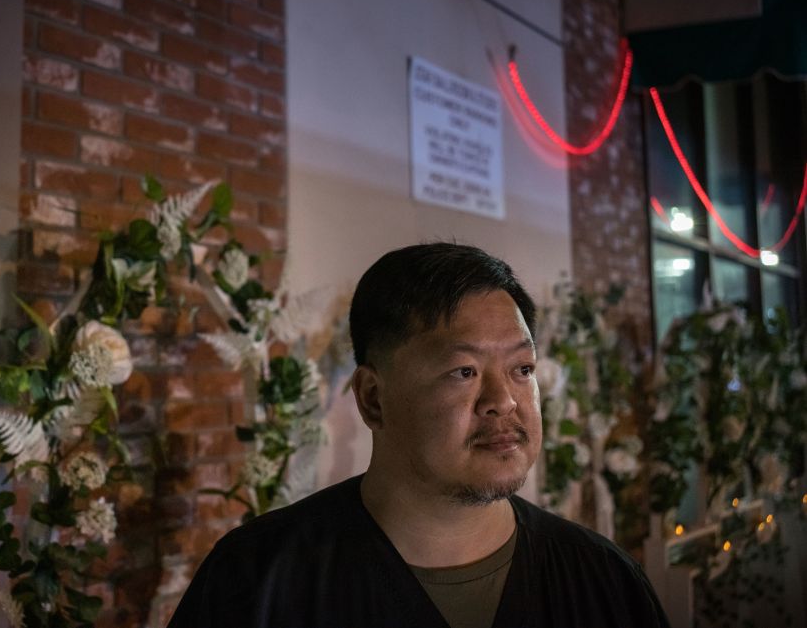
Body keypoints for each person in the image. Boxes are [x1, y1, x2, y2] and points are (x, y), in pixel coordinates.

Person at [167, 242, 670, 628]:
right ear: (372, 398)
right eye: (464, 371)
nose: (505, 400)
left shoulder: (604, 583)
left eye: (522, 368)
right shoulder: (257, 582)